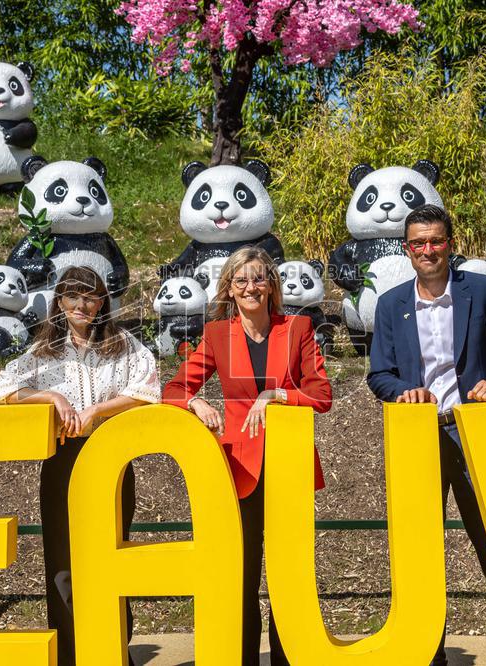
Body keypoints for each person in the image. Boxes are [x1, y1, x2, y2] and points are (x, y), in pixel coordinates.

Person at [366, 204, 486, 666]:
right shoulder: (391, 303)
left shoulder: (481, 291)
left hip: (477, 434)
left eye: (436, 241)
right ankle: (427, 651)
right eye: (418, 243)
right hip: (419, 437)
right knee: (421, 551)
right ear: (407, 249)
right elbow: (379, 373)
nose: (428, 250)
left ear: (450, 244)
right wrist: (403, 391)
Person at [162, 246, 332, 666]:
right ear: (230, 289)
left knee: (288, 574)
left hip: (288, 464)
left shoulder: (298, 328)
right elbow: (173, 390)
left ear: (272, 285)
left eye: (259, 279)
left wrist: (275, 395)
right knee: (242, 572)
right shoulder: (219, 335)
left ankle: (288, 657)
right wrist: (195, 404)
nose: (251, 287)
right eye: (241, 281)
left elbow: (322, 396)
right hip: (238, 468)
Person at [0, 266, 159, 666]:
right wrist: (47, 396)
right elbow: (0, 391)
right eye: (73, 297)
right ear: (59, 302)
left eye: (91, 297)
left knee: (113, 557)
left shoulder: (124, 345)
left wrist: (97, 409)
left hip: (111, 457)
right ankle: (69, 654)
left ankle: (114, 651)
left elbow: (148, 392)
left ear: (102, 303)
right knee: (62, 562)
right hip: (62, 461)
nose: (82, 305)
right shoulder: (43, 351)